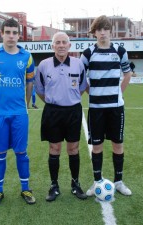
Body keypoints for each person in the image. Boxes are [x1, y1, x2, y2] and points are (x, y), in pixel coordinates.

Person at [0, 18, 36, 207]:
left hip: (19, 113)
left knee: (22, 152)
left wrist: (24, 104)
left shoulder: (26, 57)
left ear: (19, 35)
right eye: (8, 32)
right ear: (1, 34)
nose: (11, 36)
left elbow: (30, 84)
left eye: (14, 32)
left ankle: (26, 189)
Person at [80, 15, 133, 198]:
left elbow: (127, 74)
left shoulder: (120, 51)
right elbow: (81, 79)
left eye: (105, 29)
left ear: (110, 30)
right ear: (94, 33)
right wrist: (92, 93)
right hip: (96, 108)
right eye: (98, 30)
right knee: (97, 146)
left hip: (116, 108)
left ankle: (118, 182)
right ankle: (97, 183)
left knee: (118, 144)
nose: (102, 33)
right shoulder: (87, 53)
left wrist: (119, 94)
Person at [35, 32, 88, 202]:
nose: (61, 45)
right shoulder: (44, 65)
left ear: (69, 45)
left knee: (73, 149)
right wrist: (54, 102)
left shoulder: (79, 64)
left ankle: (75, 183)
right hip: (53, 112)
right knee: (54, 149)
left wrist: (68, 99)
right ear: (52, 46)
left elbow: (81, 87)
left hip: (73, 111)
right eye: (57, 42)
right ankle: (54, 185)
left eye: (64, 42)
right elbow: (40, 90)